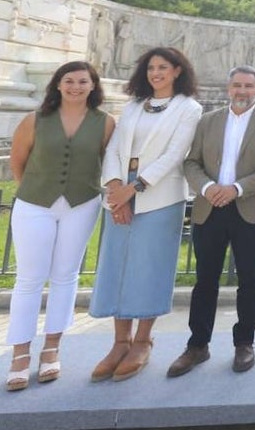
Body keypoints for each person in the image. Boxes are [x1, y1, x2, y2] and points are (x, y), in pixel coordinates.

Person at [89, 47, 203, 382]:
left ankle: (142, 340)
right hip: (120, 192)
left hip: (159, 194)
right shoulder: (134, 106)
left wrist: (134, 188)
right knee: (117, 264)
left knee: (149, 266)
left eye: (163, 68)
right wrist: (115, 189)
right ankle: (119, 341)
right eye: (151, 68)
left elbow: (175, 154)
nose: (156, 73)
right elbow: (113, 149)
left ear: (177, 71)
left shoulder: (189, 108)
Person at [4, 61, 115, 391]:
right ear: (58, 84)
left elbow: (108, 162)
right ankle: (20, 353)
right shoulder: (34, 119)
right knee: (29, 279)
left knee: (66, 276)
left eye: (83, 81)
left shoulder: (106, 123)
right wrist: (37, 191)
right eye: (69, 81)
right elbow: (17, 161)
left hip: (81, 204)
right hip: (34, 203)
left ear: (93, 86)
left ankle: (52, 348)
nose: (76, 87)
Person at [167, 66, 255, 378]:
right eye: (237, 85)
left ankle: (245, 342)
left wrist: (237, 189)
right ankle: (197, 345)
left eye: (248, 85)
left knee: (250, 279)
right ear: (227, 88)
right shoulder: (208, 121)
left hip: (249, 208)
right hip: (210, 207)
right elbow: (191, 162)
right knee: (205, 280)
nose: (242, 91)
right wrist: (208, 188)